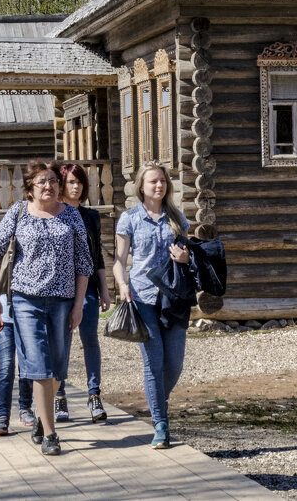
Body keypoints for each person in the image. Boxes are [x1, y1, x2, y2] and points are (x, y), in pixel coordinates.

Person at [0, 159, 93, 457]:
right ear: (30, 189)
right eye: (42, 182)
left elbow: (84, 264)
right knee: (40, 365)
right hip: (25, 300)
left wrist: (79, 305)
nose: (49, 186)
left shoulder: (71, 216)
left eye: (53, 181)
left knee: (58, 368)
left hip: (63, 301)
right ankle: (51, 433)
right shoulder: (18, 213)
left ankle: (40, 418)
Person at [113, 160, 192, 449]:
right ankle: (160, 424)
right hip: (143, 296)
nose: (158, 185)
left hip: (174, 298)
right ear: (141, 187)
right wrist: (122, 285)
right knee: (153, 362)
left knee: (175, 364)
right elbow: (120, 261)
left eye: (162, 181)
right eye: (153, 181)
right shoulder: (130, 219)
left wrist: (185, 258)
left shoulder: (177, 218)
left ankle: (157, 397)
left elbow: (190, 254)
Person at [55, 163, 112, 424]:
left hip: (87, 286)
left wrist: (105, 289)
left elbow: (97, 254)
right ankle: (59, 394)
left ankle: (94, 395)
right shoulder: (53, 214)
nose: (76, 186)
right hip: (59, 289)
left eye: (79, 182)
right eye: (71, 182)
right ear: (62, 185)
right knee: (62, 342)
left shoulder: (91, 216)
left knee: (90, 338)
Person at [0, 292, 35, 436]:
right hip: (4, 319)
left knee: (27, 366)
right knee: (6, 367)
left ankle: (25, 407)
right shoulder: (0, 267)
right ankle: (2, 416)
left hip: (27, 318)